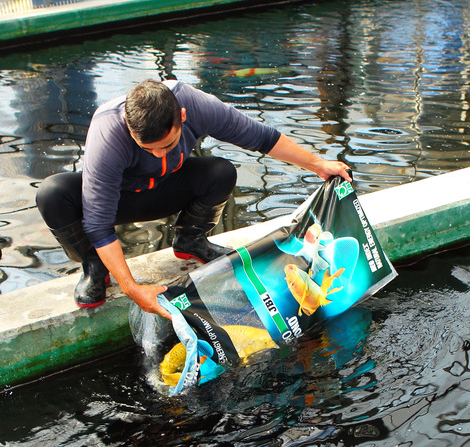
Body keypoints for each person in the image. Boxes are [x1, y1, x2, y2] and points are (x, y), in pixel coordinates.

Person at [36, 79, 351, 320]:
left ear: (182, 117)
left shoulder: (194, 104)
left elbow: (262, 138)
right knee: (52, 194)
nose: (159, 153)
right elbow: (98, 222)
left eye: (167, 144)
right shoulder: (107, 133)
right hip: (120, 200)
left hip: (166, 189)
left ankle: (191, 241)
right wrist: (133, 289)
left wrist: (318, 164)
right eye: (148, 149)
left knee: (221, 171)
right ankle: (95, 266)